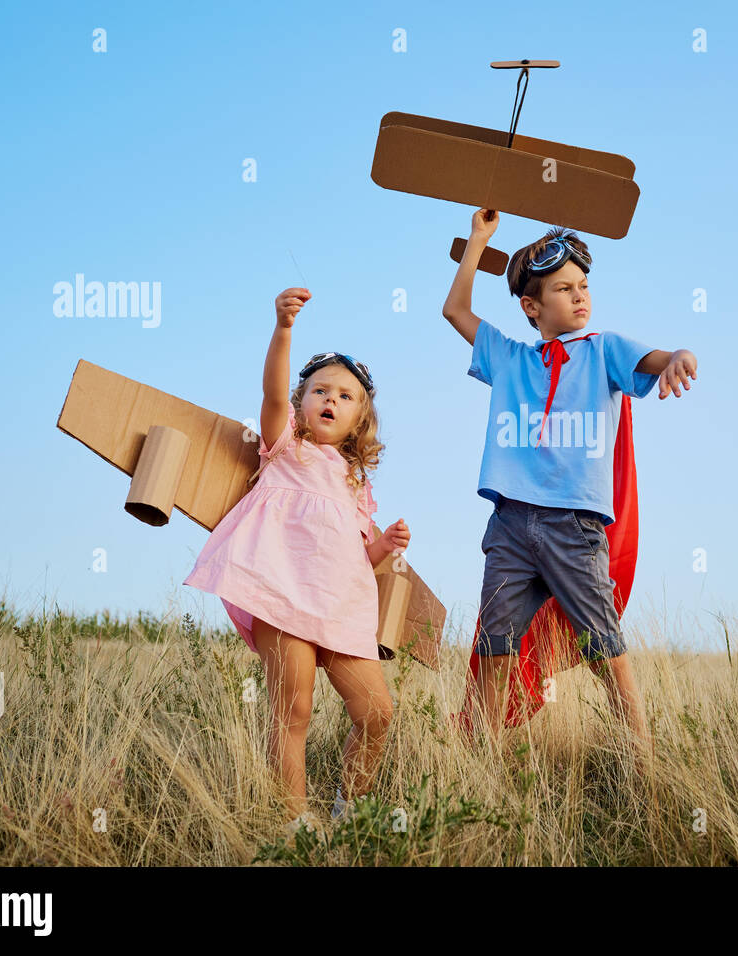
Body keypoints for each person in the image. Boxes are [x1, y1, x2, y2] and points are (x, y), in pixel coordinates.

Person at [442, 208, 699, 769]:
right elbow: (454, 310)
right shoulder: (510, 358)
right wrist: (480, 240)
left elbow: (657, 358)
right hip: (509, 524)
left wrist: (680, 356)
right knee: (494, 647)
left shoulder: (602, 349)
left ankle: (643, 758)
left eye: (584, 285)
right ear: (532, 307)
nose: (580, 296)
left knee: (602, 643)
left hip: (573, 527)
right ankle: (479, 764)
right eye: (563, 288)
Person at [183, 287, 410, 839]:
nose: (330, 400)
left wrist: (385, 547)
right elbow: (271, 393)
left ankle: (350, 808)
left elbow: (354, 553)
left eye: (346, 396)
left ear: (360, 420)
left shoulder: (356, 483)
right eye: (319, 391)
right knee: (295, 711)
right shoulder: (285, 446)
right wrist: (283, 330)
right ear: (302, 402)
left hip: (340, 607)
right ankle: (291, 821)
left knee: (376, 712)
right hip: (282, 597)